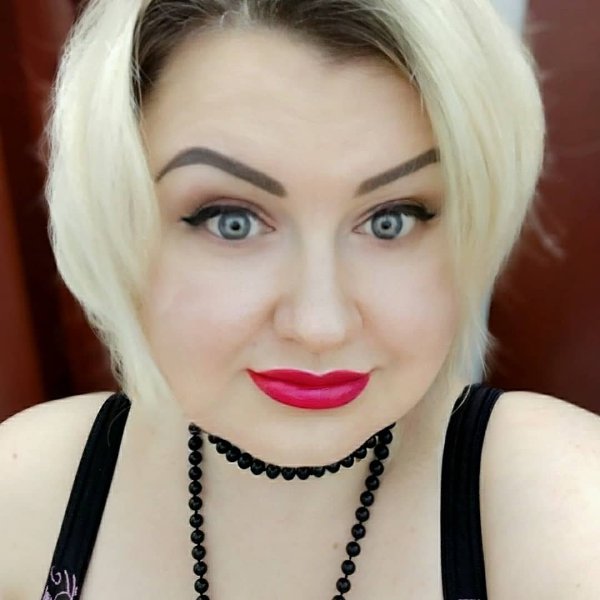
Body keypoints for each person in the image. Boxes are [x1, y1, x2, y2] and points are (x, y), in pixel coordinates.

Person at [0, 0, 599, 598]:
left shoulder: (563, 508)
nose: (320, 325)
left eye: (391, 219)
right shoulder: (27, 497)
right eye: (231, 221)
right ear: (116, 218)